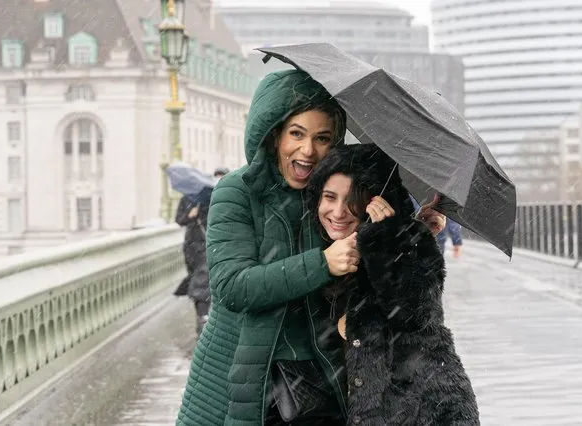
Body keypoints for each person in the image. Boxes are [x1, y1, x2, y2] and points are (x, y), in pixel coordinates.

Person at [176, 69, 446, 426]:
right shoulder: (236, 192)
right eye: (297, 134)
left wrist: (411, 235)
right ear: (274, 136)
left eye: (322, 138)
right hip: (247, 378)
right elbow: (232, 287)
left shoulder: (332, 194)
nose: (308, 150)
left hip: (324, 382)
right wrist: (322, 263)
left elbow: (374, 276)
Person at [306, 144, 480, 425]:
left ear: (374, 201)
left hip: (428, 414)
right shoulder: (313, 255)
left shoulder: (405, 245)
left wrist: (387, 239)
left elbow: (415, 313)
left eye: (352, 200)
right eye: (329, 197)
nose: (338, 211)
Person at [174, 192, 211, 337]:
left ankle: (203, 317)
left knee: (201, 282)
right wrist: (190, 215)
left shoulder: (209, 199)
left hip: (205, 245)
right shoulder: (186, 199)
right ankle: (201, 315)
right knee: (195, 280)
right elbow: (179, 220)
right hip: (190, 247)